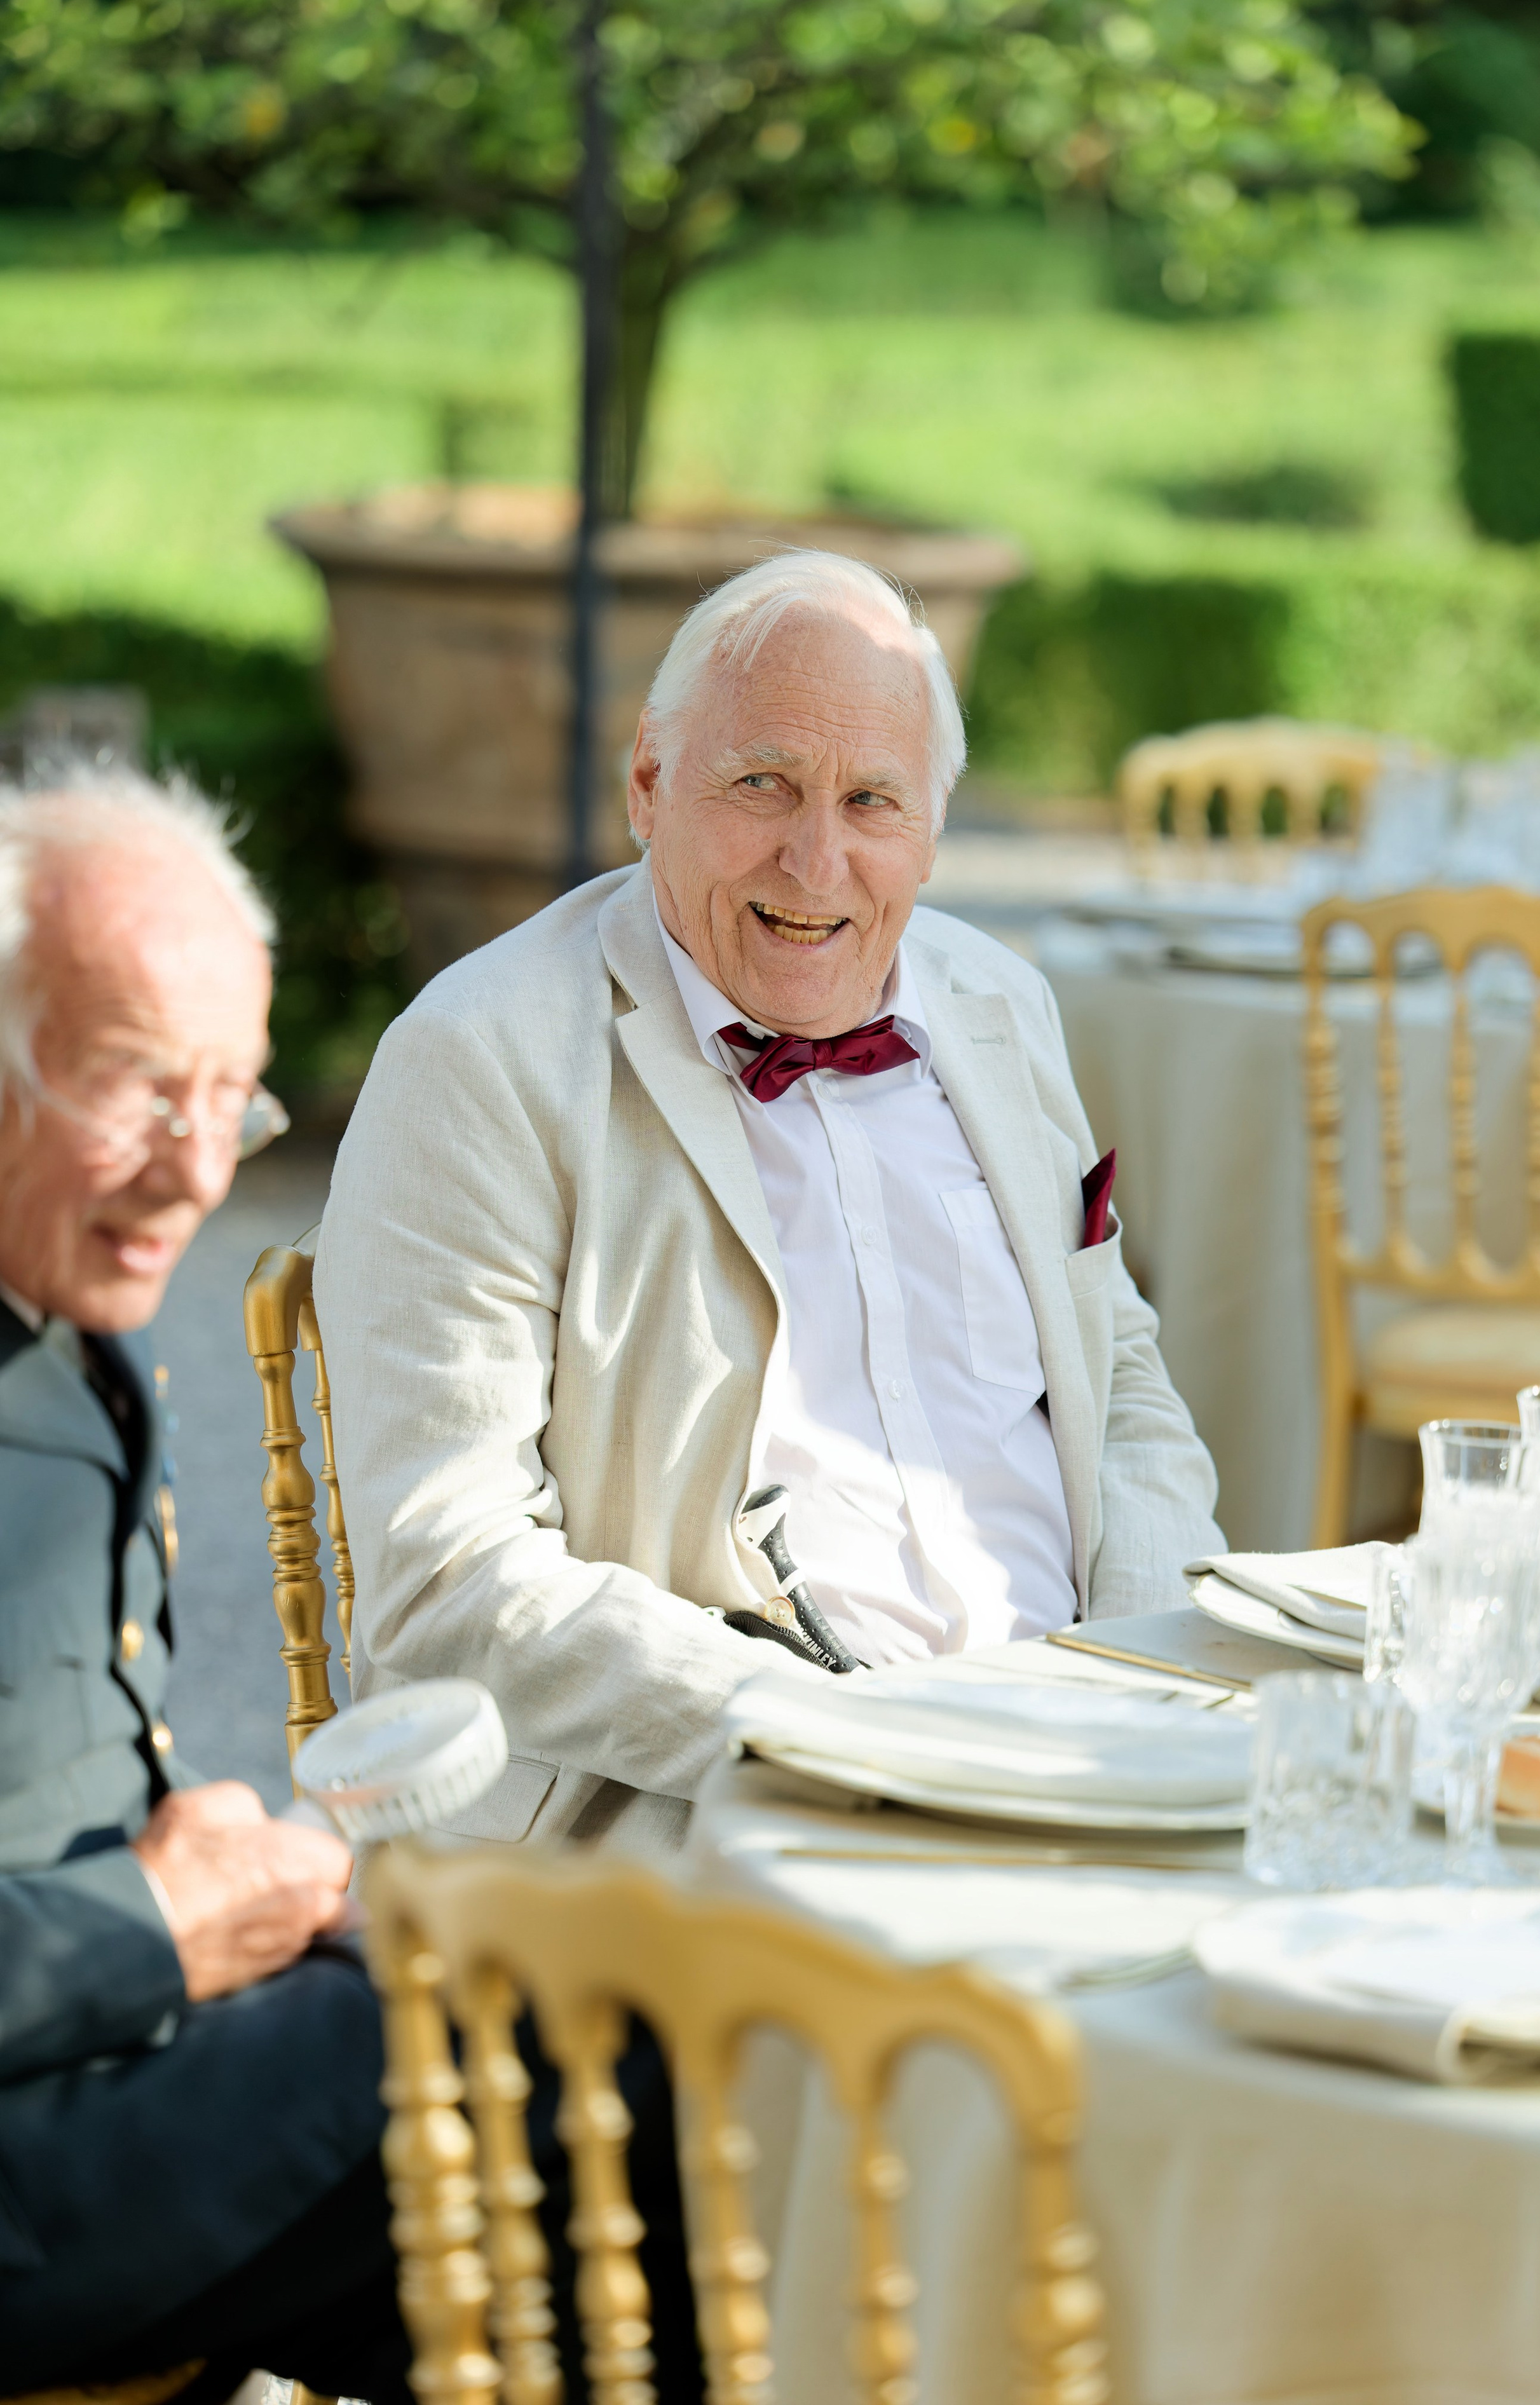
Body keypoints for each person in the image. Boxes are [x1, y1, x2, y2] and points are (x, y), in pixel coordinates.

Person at [317, 550, 1223, 1860]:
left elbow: (1119, 1378)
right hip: (702, 1803)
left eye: (870, 802)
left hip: (1072, 1756)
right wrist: (842, 1744)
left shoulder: (997, 1006)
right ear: (647, 784)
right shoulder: (483, 1059)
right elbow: (445, 1573)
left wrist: (1135, 1683)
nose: (816, 860)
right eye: (762, 786)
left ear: (931, 829)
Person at [0, 767, 701, 2405]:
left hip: (98, 2081)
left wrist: (208, 1866)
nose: (193, 1173)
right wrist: (154, 1919)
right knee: (601, 2070)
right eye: (130, 1088)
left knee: (616, 2106)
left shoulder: (69, 1340)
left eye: (228, 1104)